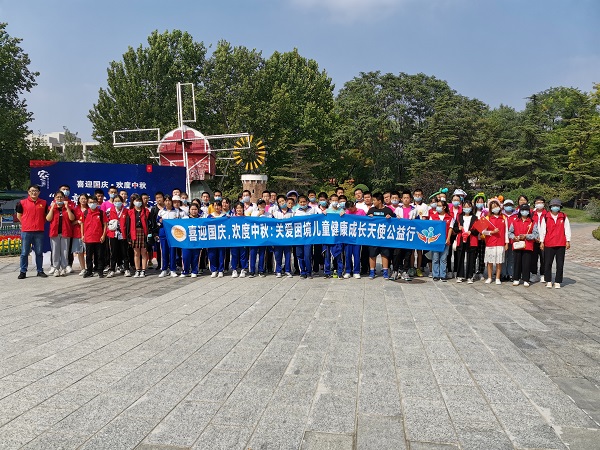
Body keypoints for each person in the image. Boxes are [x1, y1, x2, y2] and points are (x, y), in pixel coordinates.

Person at [16, 184, 48, 279]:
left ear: (39, 192)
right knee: (24, 252)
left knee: (39, 252)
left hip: (39, 231)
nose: (34, 192)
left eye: (36, 191)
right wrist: (26, 223)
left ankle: (40, 270)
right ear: (28, 192)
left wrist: (40, 223)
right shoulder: (22, 203)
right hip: (26, 231)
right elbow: (19, 215)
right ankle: (23, 271)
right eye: (32, 191)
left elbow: (45, 216)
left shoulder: (44, 203)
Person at [539, 198, 571, 289]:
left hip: (561, 243)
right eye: (553, 206)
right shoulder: (546, 217)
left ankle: (558, 281)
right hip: (549, 243)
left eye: (557, 206)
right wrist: (542, 242)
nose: (555, 207)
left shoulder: (563, 216)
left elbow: (567, 229)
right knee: (548, 263)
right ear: (550, 207)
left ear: (560, 207)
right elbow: (542, 230)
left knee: (560, 264)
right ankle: (548, 280)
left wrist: (568, 240)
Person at [46, 190, 75, 277]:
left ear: (64, 198)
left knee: (65, 252)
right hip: (54, 233)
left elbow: (72, 218)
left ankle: (64, 268)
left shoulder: (68, 207)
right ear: (55, 198)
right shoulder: (51, 208)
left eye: (61, 197)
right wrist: (52, 208)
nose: (59, 199)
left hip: (65, 232)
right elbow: (48, 219)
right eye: (57, 197)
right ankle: (56, 268)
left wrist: (67, 208)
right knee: (55, 252)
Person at [367, 192, 395, 280]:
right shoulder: (371, 210)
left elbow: (395, 221)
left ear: (379, 201)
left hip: (384, 237)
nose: (373, 202)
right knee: (372, 254)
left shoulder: (388, 210)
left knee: (385, 254)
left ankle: (385, 271)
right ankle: (372, 271)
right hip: (373, 236)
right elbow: (365, 222)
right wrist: (368, 217)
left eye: (374, 200)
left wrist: (390, 218)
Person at [509, 204, 538, 287]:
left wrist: (526, 236)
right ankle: (516, 278)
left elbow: (536, 234)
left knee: (527, 263)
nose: (524, 212)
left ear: (529, 211)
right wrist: (514, 237)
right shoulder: (515, 221)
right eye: (522, 210)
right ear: (520, 211)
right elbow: (510, 232)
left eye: (526, 210)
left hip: (528, 245)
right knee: (517, 262)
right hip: (517, 244)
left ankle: (526, 279)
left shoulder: (532, 222)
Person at [482, 198, 509, 285]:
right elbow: (483, 231)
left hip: (500, 242)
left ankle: (497, 278)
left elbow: (506, 231)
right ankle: (489, 277)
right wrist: (492, 232)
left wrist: (506, 242)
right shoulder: (487, 218)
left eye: (496, 206)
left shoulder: (504, 218)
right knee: (490, 261)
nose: (495, 208)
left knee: (499, 262)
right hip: (490, 242)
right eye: (493, 207)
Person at [392, 190, 417, 281]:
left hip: (409, 235)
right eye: (404, 198)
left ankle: (405, 271)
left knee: (408, 254)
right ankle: (395, 270)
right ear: (401, 199)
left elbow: (418, 222)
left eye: (407, 198)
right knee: (397, 253)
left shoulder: (414, 210)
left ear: (410, 199)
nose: (406, 199)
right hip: (399, 234)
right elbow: (393, 221)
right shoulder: (397, 210)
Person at [81, 195, 107, 278]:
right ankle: (89, 271)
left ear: (97, 203)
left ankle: (100, 270)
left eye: (94, 202)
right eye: (90, 202)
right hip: (88, 238)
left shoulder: (101, 213)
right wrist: (82, 235)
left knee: (99, 256)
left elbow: (105, 225)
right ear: (88, 203)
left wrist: (103, 235)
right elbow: (82, 224)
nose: (92, 204)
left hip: (99, 238)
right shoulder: (85, 213)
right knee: (88, 256)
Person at [125, 193, 150, 278]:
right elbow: (128, 225)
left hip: (143, 232)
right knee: (136, 253)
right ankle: (137, 270)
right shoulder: (130, 212)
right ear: (133, 202)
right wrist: (128, 237)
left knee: (144, 252)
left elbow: (149, 223)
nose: (138, 202)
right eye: (136, 201)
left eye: (139, 201)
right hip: (134, 233)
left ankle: (143, 270)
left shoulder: (146, 211)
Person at [454, 200, 479, 283]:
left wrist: (471, 232)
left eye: (468, 206)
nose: (466, 208)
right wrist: (458, 228)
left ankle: (470, 276)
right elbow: (455, 228)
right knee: (460, 257)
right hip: (461, 239)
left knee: (471, 258)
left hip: (471, 239)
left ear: (471, 208)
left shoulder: (475, 218)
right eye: (465, 206)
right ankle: (460, 275)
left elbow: (477, 230)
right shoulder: (459, 217)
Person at [429, 200, 454, 281]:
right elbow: (430, 227)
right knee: (435, 258)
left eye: (440, 206)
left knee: (443, 258)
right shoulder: (433, 216)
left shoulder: (449, 217)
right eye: (437, 206)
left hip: (445, 241)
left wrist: (448, 238)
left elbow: (450, 228)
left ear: (444, 207)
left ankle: (443, 275)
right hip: (435, 241)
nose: (438, 207)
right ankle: (435, 275)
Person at [157, 195, 181, 278]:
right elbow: (157, 222)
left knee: (173, 251)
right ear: (164, 202)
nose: (168, 202)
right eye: (166, 201)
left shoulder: (176, 211)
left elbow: (179, 222)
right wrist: (160, 222)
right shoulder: (161, 211)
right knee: (164, 251)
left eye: (169, 200)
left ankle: (172, 269)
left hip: (173, 233)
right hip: (163, 232)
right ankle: (164, 269)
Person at [106, 194, 130, 277]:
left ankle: (127, 269)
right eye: (115, 201)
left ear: (122, 202)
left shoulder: (126, 211)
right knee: (113, 253)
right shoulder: (109, 210)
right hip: (113, 234)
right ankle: (112, 269)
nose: (117, 203)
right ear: (113, 202)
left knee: (124, 252)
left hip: (123, 234)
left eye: (119, 201)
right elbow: (106, 222)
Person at [271, 195, 294, 278]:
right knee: (278, 254)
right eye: (280, 202)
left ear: (286, 201)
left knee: (288, 254)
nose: (282, 203)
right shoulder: (275, 213)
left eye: (283, 201)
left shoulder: (292, 212)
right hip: (278, 237)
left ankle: (287, 270)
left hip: (288, 236)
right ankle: (278, 270)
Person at [293, 195, 317, 279]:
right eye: (301, 202)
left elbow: (319, 218)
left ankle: (309, 271)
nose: (303, 203)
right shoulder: (296, 212)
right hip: (299, 236)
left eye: (304, 202)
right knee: (299, 254)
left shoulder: (313, 210)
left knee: (307, 254)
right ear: (298, 203)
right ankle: (302, 271)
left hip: (309, 236)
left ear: (307, 202)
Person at [323, 194, 345, 279]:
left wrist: (344, 214)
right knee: (327, 256)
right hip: (328, 237)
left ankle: (340, 272)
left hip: (338, 237)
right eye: (333, 200)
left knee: (338, 255)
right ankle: (327, 272)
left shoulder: (341, 210)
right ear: (330, 201)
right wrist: (323, 214)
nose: (335, 202)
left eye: (336, 200)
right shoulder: (327, 211)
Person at [343, 201, 364, 279]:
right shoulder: (346, 212)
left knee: (356, 255)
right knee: (348, 255)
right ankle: (348, 271)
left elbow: (366, 222)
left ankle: (356, 271)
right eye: (349, 209)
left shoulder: (361, 212)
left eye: (351, 208)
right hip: (348, 237)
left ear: (354, 205)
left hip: (357, 237)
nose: (350, 210)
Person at [181, 203, 202, 277]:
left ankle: (194, 271)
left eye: (195, 209)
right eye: (192, 209)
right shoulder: (185, 218)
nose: (194, 211)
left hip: (197, 241)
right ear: (189, 210)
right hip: (186, 241)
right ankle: (185, 271)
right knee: (186, 256)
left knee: (196, 256)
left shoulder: (201, 219)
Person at [207, 200, 227, 277]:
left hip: (221, 238)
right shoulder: (209, 216)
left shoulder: (224, 216)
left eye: (218, 205)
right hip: (212, 239)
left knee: (221, 254)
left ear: (221, 207)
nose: (217, 207)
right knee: (212, 254)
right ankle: (214, 270)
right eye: (215, 205)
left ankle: (221, 270)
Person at [500, 199, 518, 282]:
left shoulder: (516, 215)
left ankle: (511, 273)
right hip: (502, 239)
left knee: (511, 257)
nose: (508, 207)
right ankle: (503, 274)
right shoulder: (501, 215)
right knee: (503, 257)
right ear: (504, 206)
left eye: (510, 205)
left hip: (513, 240)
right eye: (507, 205)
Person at [531, 196, 548, 282]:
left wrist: (542, 239)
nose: (539, 204)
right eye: (537, 203)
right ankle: (534, 274)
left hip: (544, 240)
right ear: (534, 204)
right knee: (533, 258)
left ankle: (543, 274)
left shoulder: (547, 214)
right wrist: (534, 237)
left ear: (544, 204)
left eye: (541, 202)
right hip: (534, 240)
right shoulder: (532, 214)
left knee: (544, 258)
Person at [72, 193, 88, 275]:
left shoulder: (90, 209)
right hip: (77, 233)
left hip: (88, 233)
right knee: (80, 252)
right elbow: (70, 222)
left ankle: (90, 268)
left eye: (85, 198)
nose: (83, 200)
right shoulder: (75, 209)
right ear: (78, 199)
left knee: (89, 252)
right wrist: (77, 222)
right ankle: (83, 268)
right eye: (82, 198)